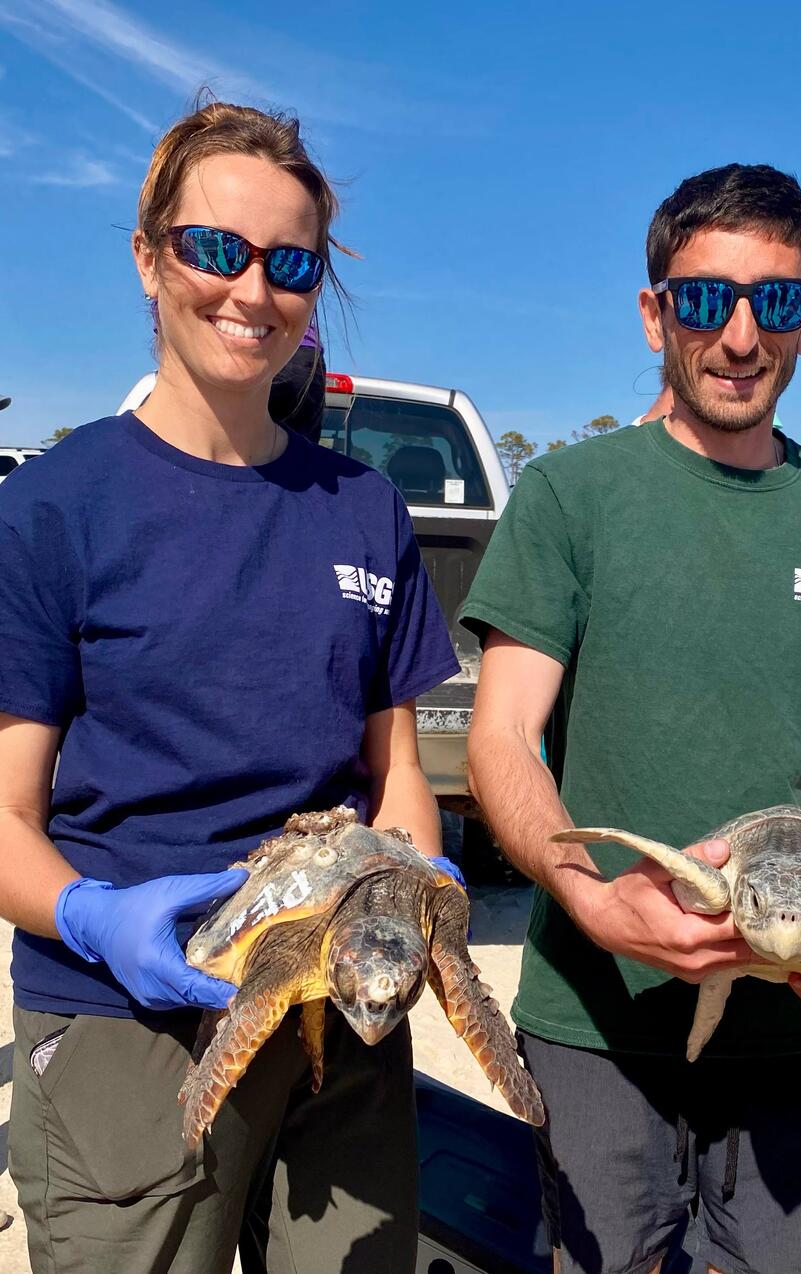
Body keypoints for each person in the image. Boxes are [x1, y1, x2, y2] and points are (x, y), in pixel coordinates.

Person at [0, 99, 459, 1274]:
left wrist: (406, 883)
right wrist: (96, 915)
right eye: (217, 248)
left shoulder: (363, 509)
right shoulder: (52, 509)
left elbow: (396, 766)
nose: (252, 290)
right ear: (151, 256)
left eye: (289, 262)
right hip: (129, 1019)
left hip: (337, 1014)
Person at [461, 163, 801, 1274]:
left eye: (779, 299)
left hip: (795, 1020)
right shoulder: (572, 494)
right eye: (707, 298)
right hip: (598, 1010)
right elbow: (504, 736)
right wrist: (590, 900)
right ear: (655, 309)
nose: (742, 334)